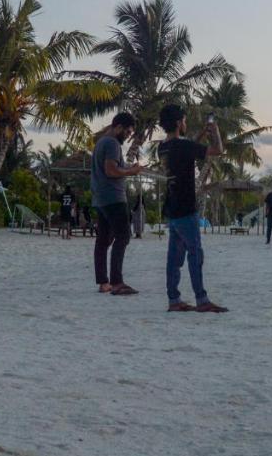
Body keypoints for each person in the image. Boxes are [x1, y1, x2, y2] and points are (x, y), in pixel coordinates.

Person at [157, 104, 227, 312]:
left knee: (174, 257)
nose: (186, 123)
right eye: (185, 120)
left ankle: (174, 299)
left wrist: (198, 136)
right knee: (195, 253)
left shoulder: (163, 147)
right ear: (179, 123)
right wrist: (215, 133)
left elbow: (185, 149)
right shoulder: (184, 146)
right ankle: (202, 299)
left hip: (172, 207)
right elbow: (218, 151)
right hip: (186, 207)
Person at [91, 113, 143, 295]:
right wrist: (132, 172)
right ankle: (116, 281)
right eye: (127, 131)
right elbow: (111, 171)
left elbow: (110, 169)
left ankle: (103, 282)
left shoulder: (101, 142)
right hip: (113, 198)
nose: (128, 135)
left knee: (103, 240)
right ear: (119, 127)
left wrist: (130, 169)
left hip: (101, 198)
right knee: (123, 236)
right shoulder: (112, 143)